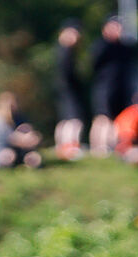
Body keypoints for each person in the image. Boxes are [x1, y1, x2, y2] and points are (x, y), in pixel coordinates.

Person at [88, 15, 137, 157]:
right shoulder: (101, 45)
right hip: (104, 88)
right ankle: (98, 148)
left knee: (118, 119)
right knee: (102, 117)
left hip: (122, 89)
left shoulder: (126, 48)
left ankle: (112, 147)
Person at [0, 92, 44, 170]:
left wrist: (33, 138)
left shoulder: (19, 117)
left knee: (35, 159)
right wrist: (23, 140)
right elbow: (9, 138)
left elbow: (29, 131)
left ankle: (19, 161)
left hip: (20, 149)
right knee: (8, 157)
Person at [53, 20, 85, 158]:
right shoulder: (65, 50)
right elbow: (68, 74)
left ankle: (62, 146)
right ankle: (70, 146)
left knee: (65, 119)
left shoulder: (62, 49)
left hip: (62, 89)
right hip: (68, 89)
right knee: (74, 119)